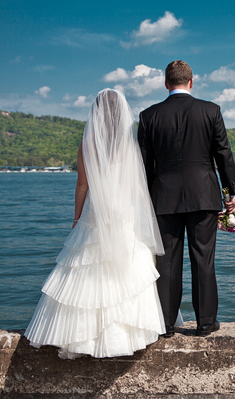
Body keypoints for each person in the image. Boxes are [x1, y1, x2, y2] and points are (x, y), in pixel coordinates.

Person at [25, 89, 166, 359]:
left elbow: (82, 185)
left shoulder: (87, 142)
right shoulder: (127, 143)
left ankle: (81, 335)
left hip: (96, 208)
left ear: (96, 112)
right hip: (123, 207)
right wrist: (146, 213)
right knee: (127, 263)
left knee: (86, 263)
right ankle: (128, 334)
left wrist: (77, 217)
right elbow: (137, 184)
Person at [138, 60, 235, 338]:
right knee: (203, 259)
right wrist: (230, 193)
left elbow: (144, 165)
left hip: (163, 198)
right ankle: (206, 323)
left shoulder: (149, 116)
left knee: (167, 262)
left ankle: (166, 324)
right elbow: (224, 155)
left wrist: (146, 198)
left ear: (166, 83)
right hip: (204, 196)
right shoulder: (211, 111)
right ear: (191, 82)